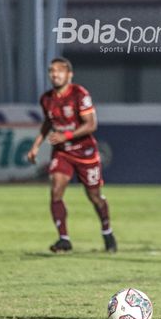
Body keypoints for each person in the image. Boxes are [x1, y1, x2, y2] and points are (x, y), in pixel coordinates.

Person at [27, 57, 117, 254]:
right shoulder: (46, 99)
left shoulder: (79, 94)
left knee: (94, 197)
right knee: (56, 190)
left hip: (85, 153)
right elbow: (47, 123)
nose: (55, 74)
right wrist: (36, 146)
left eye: (59, 71)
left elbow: (91, 124)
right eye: (51, 71)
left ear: (69, 75)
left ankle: (107, 232)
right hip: (63, 153)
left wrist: (65, 135)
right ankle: (64, 239)